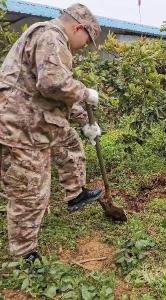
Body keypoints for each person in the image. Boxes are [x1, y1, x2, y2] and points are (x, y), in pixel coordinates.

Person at [0, 3, 103, 262]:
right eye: (87, 40)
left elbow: (57, 96)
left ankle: (75, 193)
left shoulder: (53, 39)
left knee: (69, 143)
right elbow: (53, 84)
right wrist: (84, 91)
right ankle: (25, 255)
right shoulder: (51, 35)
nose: (83, 46)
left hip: (38, 121)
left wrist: (85, 122)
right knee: (31, 190)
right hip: (22, 127)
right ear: (79, 28)